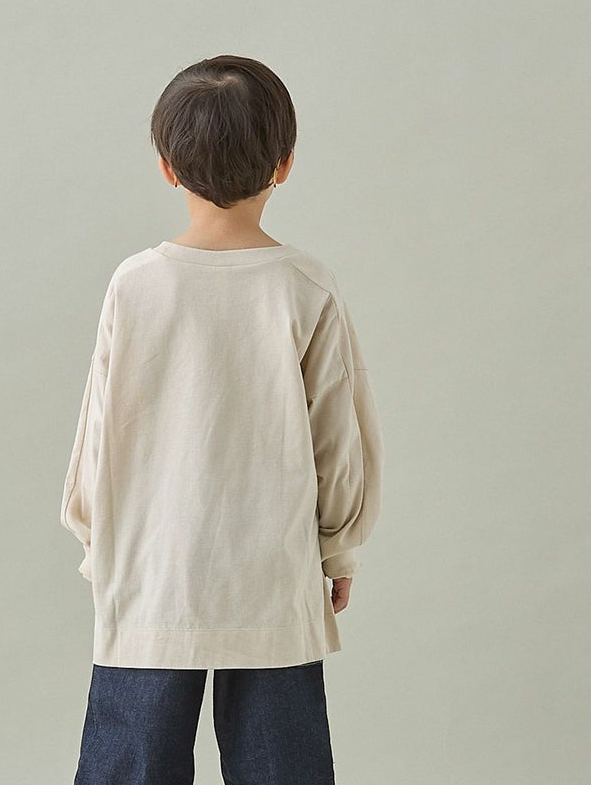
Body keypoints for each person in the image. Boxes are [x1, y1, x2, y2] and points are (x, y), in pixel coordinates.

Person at [60, 54, 384, 785]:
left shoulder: (135, 285)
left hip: (151, 570)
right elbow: (339, 440)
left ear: (167, 167)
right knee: (281, 768)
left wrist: (97, 543)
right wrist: (337, 550)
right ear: (284, 164)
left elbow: (97, 435)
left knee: (130, 767)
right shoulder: (305, 286)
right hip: (273, 575)